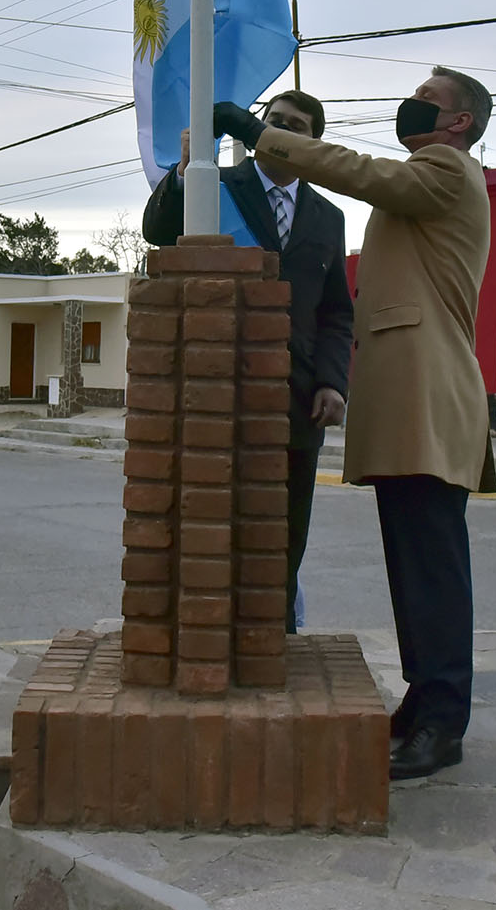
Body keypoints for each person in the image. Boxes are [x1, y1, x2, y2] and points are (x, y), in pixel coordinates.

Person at [215, 63, 492, 781]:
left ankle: (441, 720)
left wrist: (260, 133)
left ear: (458, 122)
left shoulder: (446, 171)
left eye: (429, 100)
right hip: (409, 401)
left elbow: (356, 171)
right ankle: (424, 697)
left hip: (428, 398)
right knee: (412, 561)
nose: (413, 104)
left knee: (431, 563)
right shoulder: (427, 178)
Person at [144, 90, 353, 634]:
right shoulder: (218, 186)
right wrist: (187, 171)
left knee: (284, 534)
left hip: (296, 402)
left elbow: (336, 313)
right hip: (219, 390)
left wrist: (333, 382)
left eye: (293, 126)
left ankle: (274, 638)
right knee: (216, 525)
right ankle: (211, 637)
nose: (278, 129)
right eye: (272, 120)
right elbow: (158, 232)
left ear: (312, 144)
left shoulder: (328, 218)